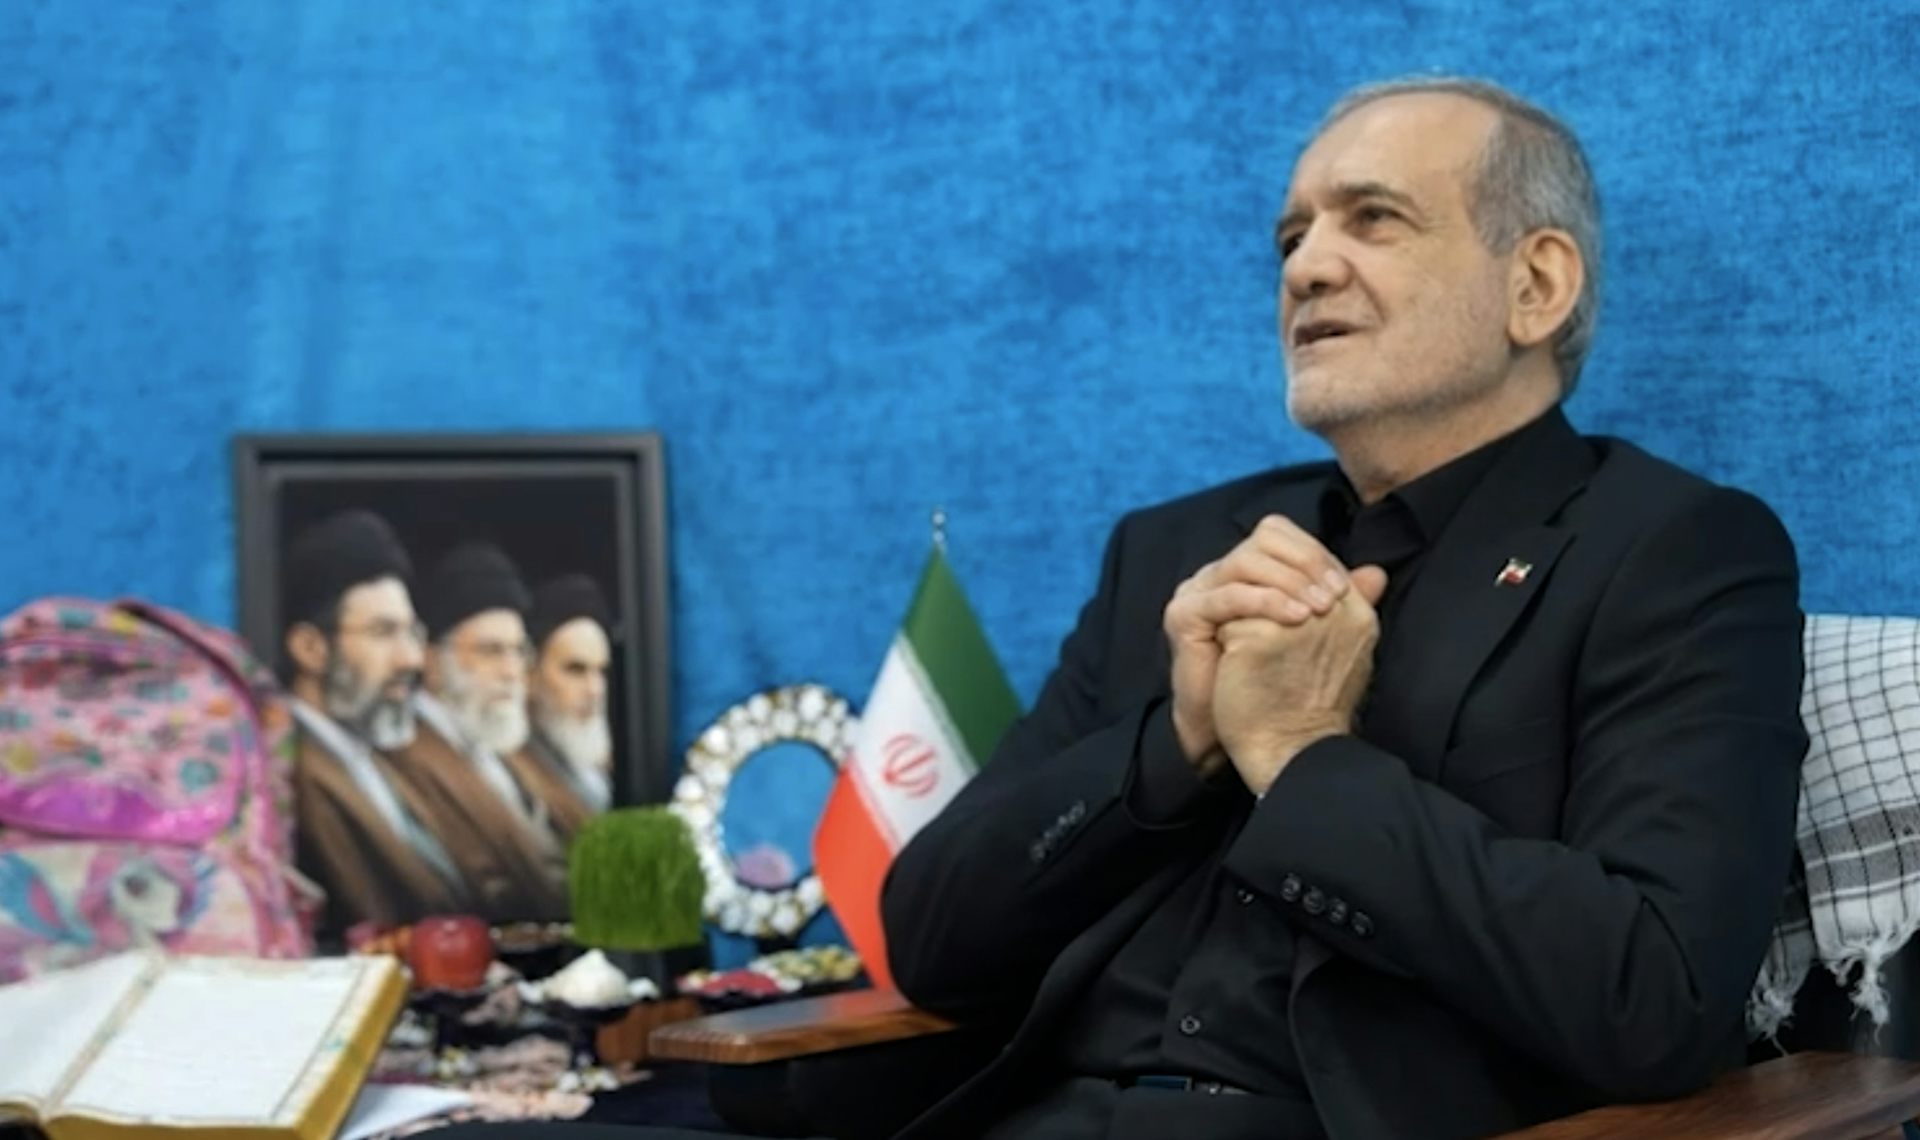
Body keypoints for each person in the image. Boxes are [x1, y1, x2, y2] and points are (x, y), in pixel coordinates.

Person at [431, 75, 1809, 1140]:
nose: (1306, 266)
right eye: (1292, 234)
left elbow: (1658, 1004)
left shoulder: (1673, 552)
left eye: (1372, 218)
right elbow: (934, 930)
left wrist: (1304, 764)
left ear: (1538, 284)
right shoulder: (1177, 550)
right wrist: (1184, 742)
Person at [280, 509, 472, 938]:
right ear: (310, 648)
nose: (411, 659)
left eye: (412, 634)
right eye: (384, 632)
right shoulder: (290, 778)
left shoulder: (376, 761)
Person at [394, 541, 572, 921]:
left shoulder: (506, 749)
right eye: (491, 651)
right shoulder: (403, 758)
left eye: (518, 651)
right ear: (432, 661)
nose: (511, 671)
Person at [508, 572, 618, 845]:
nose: (595, 690)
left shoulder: (596, 768)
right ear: (530, 675)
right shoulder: (510, 779)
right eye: (575, 670)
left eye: (601, 671)